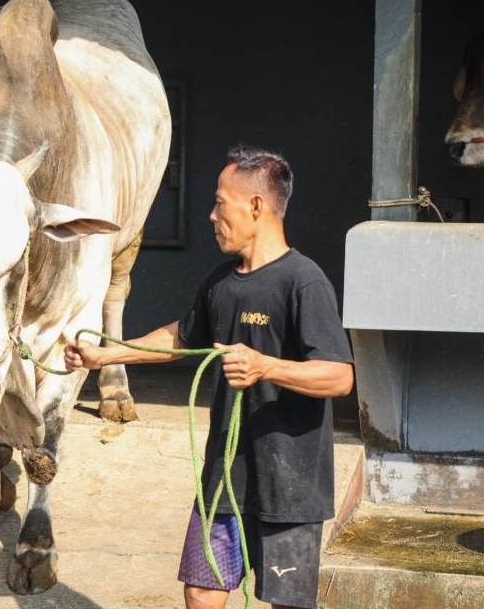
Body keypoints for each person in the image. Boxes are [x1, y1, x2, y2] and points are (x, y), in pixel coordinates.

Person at [64, 146, 354, 609]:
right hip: (223, 478)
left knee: (286, 603)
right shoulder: (220, 281)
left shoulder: (304, 281)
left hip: (289, 486)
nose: (211, 214)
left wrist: (265, 367)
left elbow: (339, 377)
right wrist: (105, 356)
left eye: (221, 202)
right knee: (201, 593)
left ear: (255, 206)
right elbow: (182, 336)